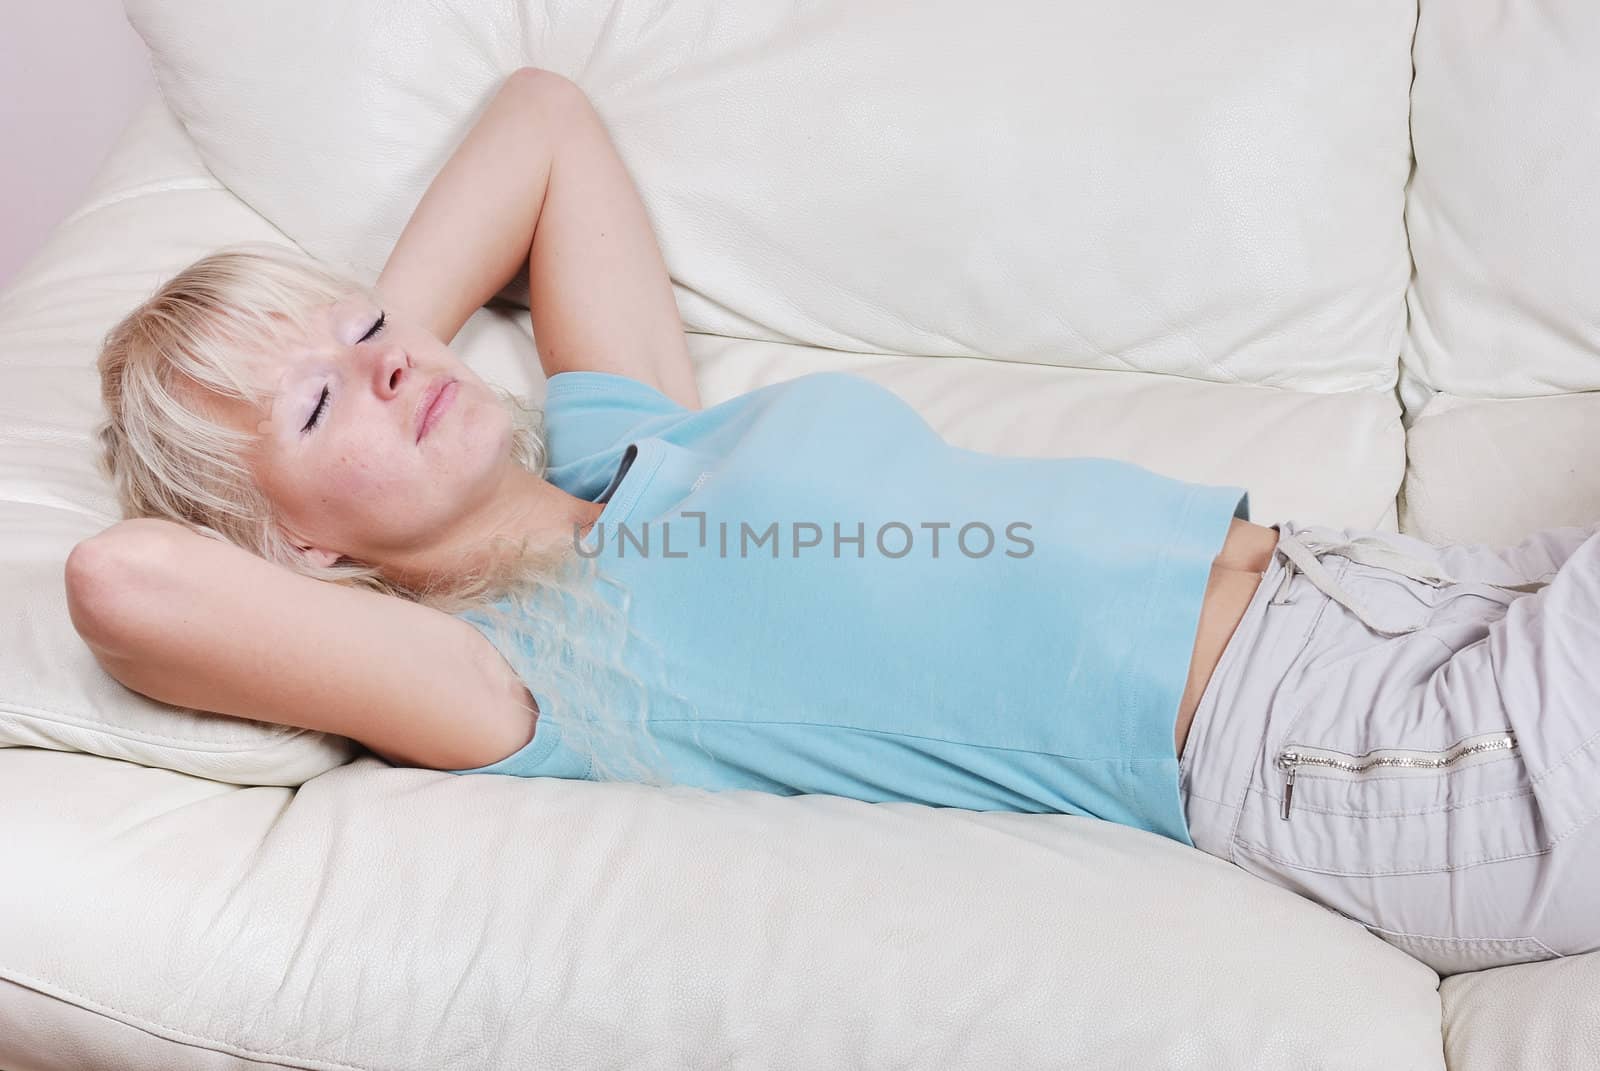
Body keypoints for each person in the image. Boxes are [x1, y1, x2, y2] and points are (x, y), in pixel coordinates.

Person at [66, 67, 1598, 976]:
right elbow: (125, 579)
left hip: (1399, 596)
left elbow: (543, 122)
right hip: (1376, 759)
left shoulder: (635, 442)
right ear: (298, 553)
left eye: (366, 326)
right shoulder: (525, 679)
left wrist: (363, 361)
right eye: (322, 407)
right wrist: (302, 450)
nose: (389, 357)